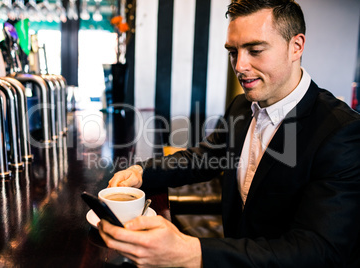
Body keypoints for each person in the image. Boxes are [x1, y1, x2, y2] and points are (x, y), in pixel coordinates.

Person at [98, 0, 360, 267]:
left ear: (296, 46)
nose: (240, 66)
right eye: (233, 52)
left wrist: (193, 252)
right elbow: (204, 157)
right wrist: (143, 171)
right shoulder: (243, 105)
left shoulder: (341, 132)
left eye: (255, 50)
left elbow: (319, 250)